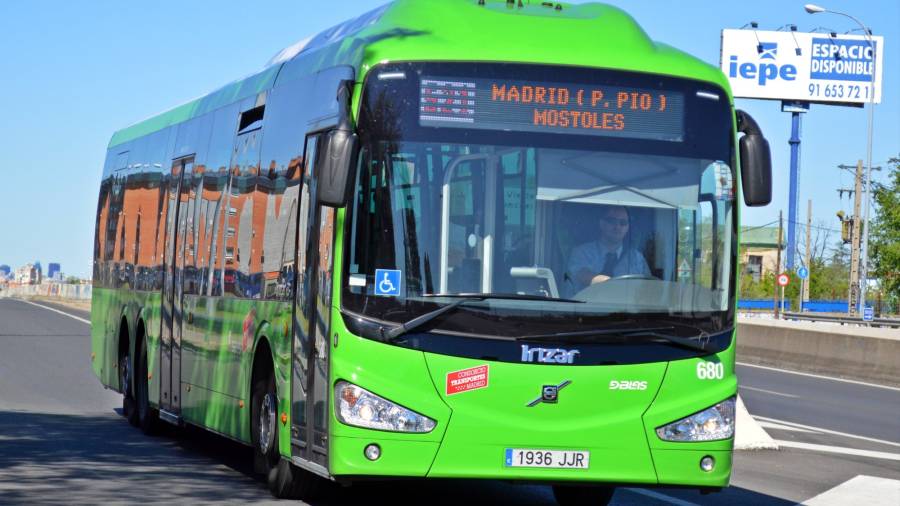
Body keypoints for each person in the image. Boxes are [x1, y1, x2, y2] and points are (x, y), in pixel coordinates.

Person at [566, 205, 651, 294]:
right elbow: (582, 275)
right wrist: (614, 284)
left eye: (623, 222)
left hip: (626, 307)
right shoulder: (582, 252)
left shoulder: (636, 258)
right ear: (601, 223)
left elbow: (647, 288)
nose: (617, 226)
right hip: (587, 306)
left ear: (628, 227)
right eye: (612, 221)